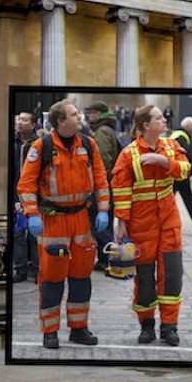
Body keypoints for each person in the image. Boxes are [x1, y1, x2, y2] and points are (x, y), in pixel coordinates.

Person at [16, 100, 110, 348]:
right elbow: (26, 184)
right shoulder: (42, 146)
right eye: (73, 114)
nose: (79, 117)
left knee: (81, 277)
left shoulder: (88, 144)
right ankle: (50, 331)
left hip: (81, 219)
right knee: (51, 279)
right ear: (60, 121)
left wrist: (103, 210)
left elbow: (100, 179)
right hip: (53, 221)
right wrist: (32, 214)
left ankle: (79, 328)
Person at [111, 105, 191, 345]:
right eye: (158, 118)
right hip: (140, 223)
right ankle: (147, 325)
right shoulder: (129, 153)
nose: (164, 120)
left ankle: (169, 327)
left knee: (172, 274)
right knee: (144, 277)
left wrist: (162, 161)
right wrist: (121, 221)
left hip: (168, 220)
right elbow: (121, 188)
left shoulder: (172, 146)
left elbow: (186, 170)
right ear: (146, 125)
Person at [85, 101, 121, 275]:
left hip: (103, 187)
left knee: (100, 225)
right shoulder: (107, 130)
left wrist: (99, 185)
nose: (88, 115)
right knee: (104, 223)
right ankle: (105, 258)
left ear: (97, 114)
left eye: (91, 112)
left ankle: (112, 259)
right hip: (108, 186)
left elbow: (102, 159)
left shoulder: (102, 131)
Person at [11, 112, 40, 283]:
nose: (20, 123)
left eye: (25, 120)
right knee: (18, 233)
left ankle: (37, 268)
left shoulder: (39, 143)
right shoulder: (13, 142)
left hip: (35, 194)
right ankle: (20, 268)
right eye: (19, 119)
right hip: (16, 193)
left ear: (33, 124)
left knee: (34, 234)